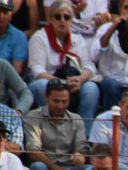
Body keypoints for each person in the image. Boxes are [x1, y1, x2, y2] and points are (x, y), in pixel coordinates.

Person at [27, 1, 99, 132]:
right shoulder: (39, 38)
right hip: (48, 82)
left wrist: (80, 79)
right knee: (41, 85)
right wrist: (61, 83)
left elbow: (90, 67)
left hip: (73, 82)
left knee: (91, 88)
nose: (62, 20)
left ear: (72, 21)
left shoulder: (78, 40)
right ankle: (49, 131)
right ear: (51, 19)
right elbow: (37, 71)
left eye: (66, 17)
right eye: (58, 16)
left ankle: (84, 135)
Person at [24, 79, 88, 170]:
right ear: (46, 98)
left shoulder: (76, 119)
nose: (60, 106)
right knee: (38, 168)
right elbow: (34, 151)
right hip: (46, 167)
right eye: (56, 101)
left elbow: (81, 149)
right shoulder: (34, 116)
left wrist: (79, 157)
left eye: (64, 101)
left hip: (70, 168)